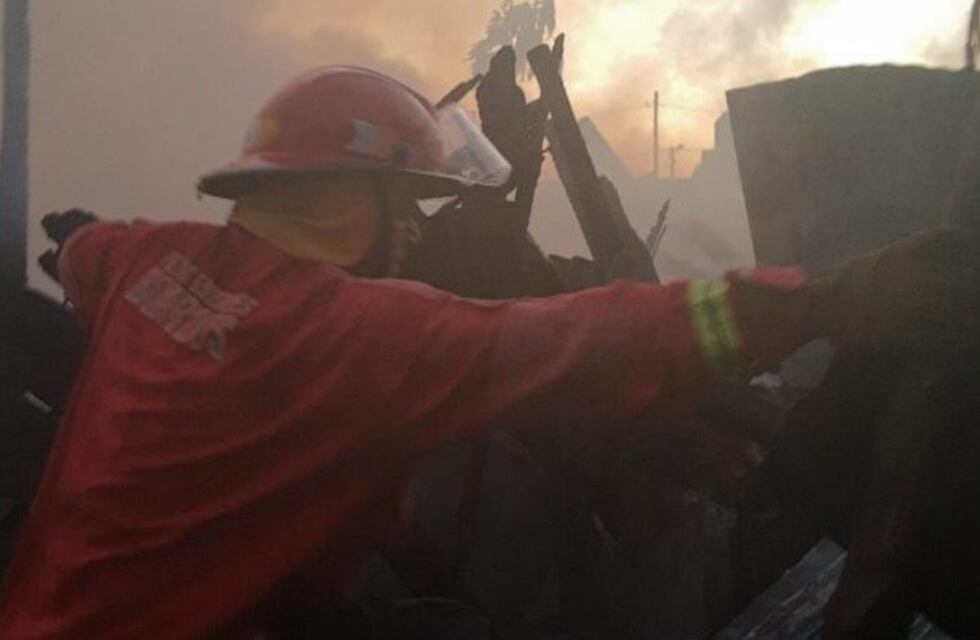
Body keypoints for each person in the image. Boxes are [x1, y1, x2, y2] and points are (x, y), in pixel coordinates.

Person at [1, 66, 977, 639]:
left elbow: (90, 246)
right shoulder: (359, 337)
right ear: (351, 201)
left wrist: (73, 236)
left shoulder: (143, 256)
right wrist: (825, 300)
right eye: (408, 206)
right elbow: (599, 341)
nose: (418, 234)